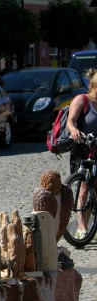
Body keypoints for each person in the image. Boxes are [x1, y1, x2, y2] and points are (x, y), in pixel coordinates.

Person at [66, 68, 97, 235]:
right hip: (84, 148)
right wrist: (74, 130)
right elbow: (70, 121)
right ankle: (81, 227)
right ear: (94, 86)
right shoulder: (82, 100)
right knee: (84, 187)